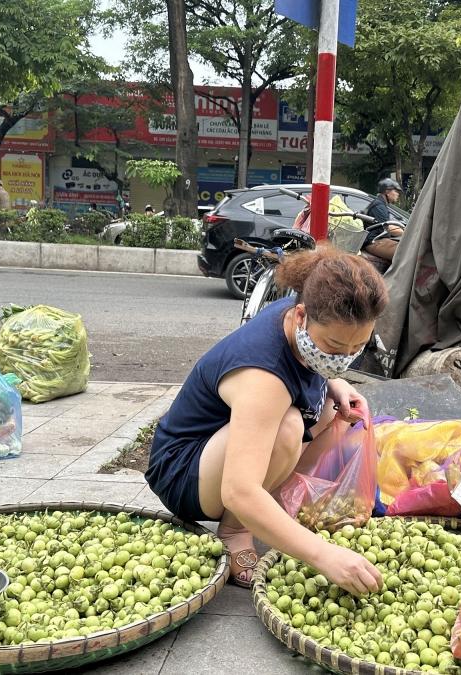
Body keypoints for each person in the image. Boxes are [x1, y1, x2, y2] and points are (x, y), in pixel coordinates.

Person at [145, 248, 388, 594]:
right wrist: (325, 556)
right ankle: (234, 530)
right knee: (288, 428)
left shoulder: (293, 316)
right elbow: (238, 490)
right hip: (184, 471)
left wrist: (336, 381)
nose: (342, 358)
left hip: (221, 449)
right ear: (302, 316)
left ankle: (270, 510)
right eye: (334, 348)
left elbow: (317, 365)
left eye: (356, 349)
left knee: (337, 411)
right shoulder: (263, 378)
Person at [362, 178, 406, 262]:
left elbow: (387, 223)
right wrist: (408, 233)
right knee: (406, 252)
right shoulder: (379, 206)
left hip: (379, 240)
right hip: (374, 242)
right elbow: (388, 228)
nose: (397, 194)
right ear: (387, 192)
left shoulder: (380, 204)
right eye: (395, 191)